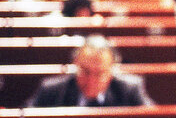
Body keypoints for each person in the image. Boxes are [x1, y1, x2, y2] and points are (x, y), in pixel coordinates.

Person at [26, 34, 155, 107]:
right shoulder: (51, 91)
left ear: (111, 71)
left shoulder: (130, 90)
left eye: (99, 74)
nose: (91, 81)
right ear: (75, 64)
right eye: (85, 71)